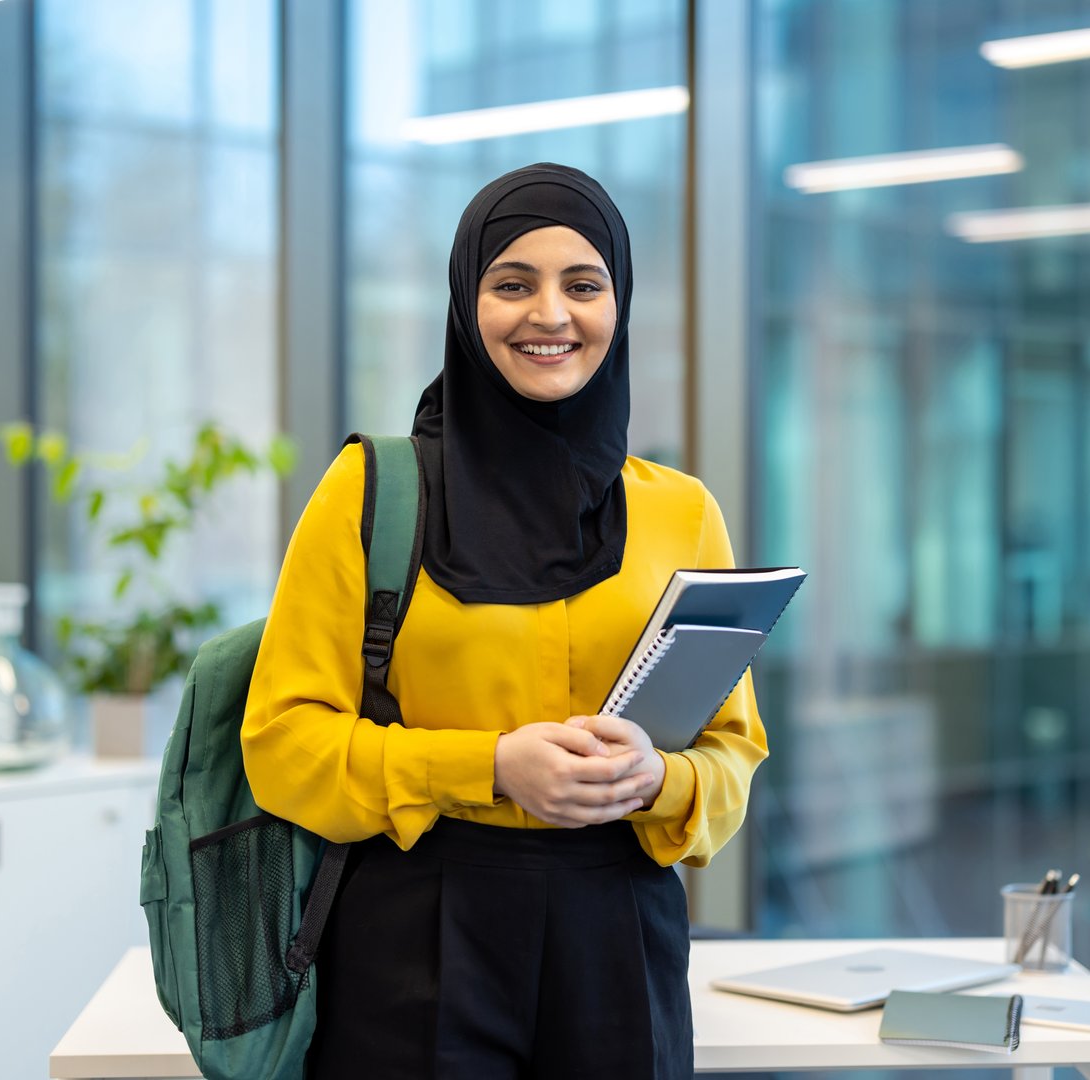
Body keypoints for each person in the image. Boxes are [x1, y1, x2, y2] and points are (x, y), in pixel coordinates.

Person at [241, 162, 767, 1079]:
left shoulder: (681, 512)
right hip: (417, 930)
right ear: (464, 301)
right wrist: (487, 767)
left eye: (584, 284)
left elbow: (733, 753)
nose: (550, 315)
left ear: (621, 303)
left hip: (620, 932)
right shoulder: (369, 492)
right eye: (512, 284)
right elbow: (282, 748)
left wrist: (658, 780)